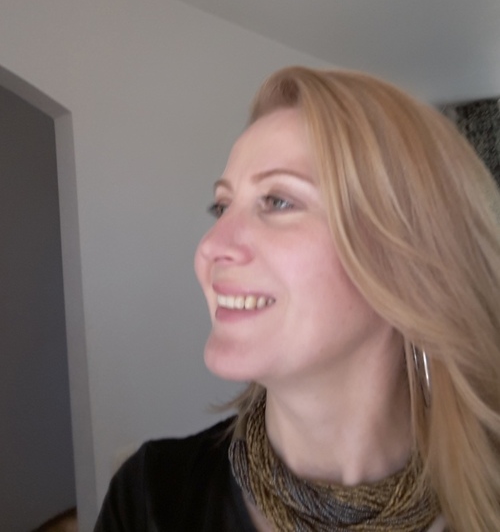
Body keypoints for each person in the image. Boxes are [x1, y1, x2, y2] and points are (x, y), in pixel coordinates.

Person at [94, 66, 500, 532]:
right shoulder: (151, 498)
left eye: (278, 201)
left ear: (409, 256)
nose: (210, 246)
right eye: (221, 206)